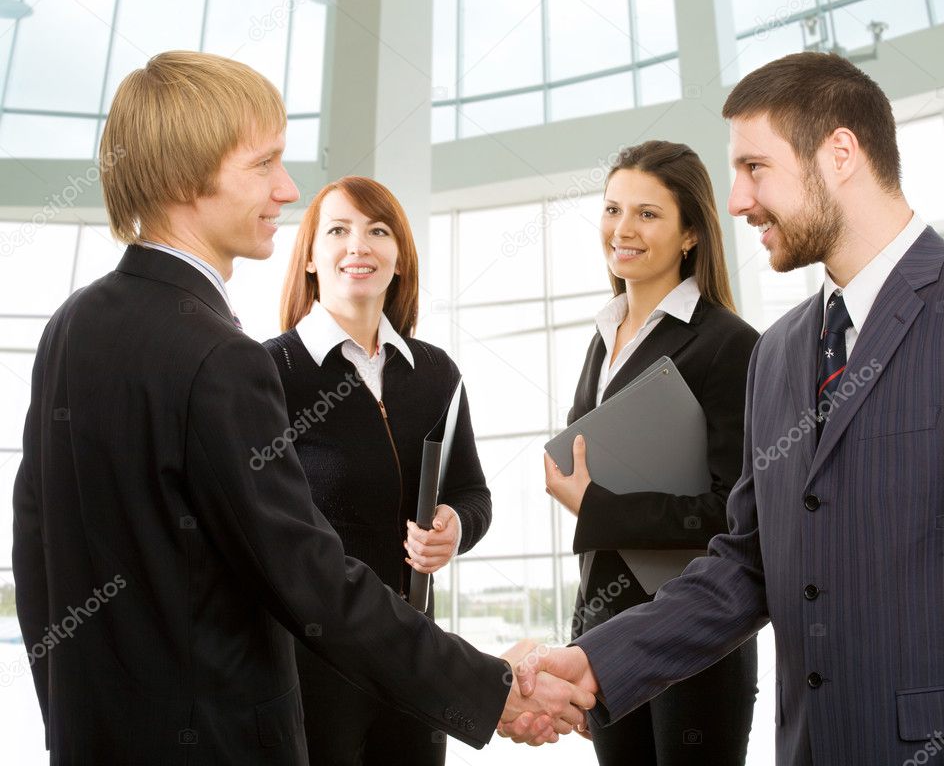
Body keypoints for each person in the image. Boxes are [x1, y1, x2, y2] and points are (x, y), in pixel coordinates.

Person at [12, 51, 594, 765]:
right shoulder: (225, 358)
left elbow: (38, 553)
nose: (287, 190)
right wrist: (491, 686)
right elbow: (307, 575)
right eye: (264, 165)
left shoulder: (73, 323)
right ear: (182, 177)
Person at [512, 52, 944, 765]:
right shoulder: (780, 352)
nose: (736, 201)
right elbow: (748, 563)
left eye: (756, 168)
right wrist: (597, 661)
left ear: (840, 153)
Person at [542, 140, 757, 764]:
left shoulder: (728, 344)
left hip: (694, 632)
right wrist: (584, 637)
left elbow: (734, 515)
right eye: (612, 210)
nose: (622, 229)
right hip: (605, 635)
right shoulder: (600, 339)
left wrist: (595, 505)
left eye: (647, 214)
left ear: (691, 232)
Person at [265, 176, 492, 765]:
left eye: (377, 230)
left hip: (413, 650)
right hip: (312, 658)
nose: (358, 246)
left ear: (399, 257)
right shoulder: (268, 370)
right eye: (337, 231)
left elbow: (471, 491)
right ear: (311, 258)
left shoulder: (436, 374)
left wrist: (454, 527)